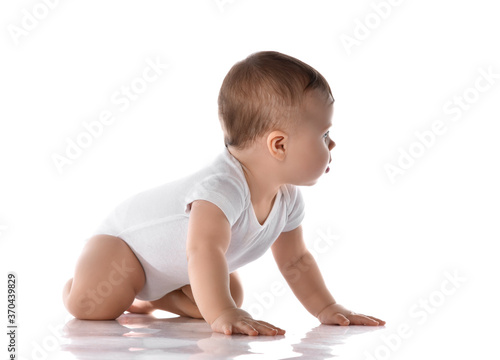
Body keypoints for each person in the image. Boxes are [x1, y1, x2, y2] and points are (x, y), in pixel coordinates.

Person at [62, 51, 385, 336]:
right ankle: (79, 289)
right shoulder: (221, 188)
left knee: (229, 291)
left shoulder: (286, 198)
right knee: (94, 305)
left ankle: (156, 295)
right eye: (325, 133)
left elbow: (296, 260)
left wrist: (326, 308)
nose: (332, 144)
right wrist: (223, 314)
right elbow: (203, 251)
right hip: (120, 248)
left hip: (168, 270)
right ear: (279, 145)